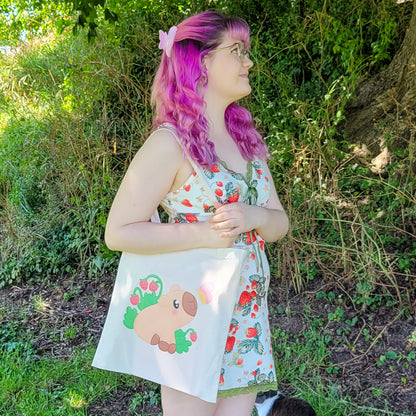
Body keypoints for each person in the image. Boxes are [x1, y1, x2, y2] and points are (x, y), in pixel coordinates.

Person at [104, 10, 289, 416]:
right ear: (201, 61)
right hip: (191, 318)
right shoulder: (170, 144)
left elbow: (279, 222)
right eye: (237, 51)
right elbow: (118, 231)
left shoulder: (247, 143)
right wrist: (203, 235)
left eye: (248, 51)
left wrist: (254, 216)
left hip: (246, 321)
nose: (249, 61)